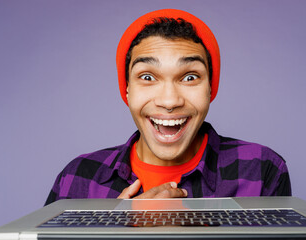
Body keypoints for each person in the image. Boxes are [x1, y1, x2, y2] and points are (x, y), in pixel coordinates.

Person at [45, 9, 291, 205]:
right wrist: (114, 228)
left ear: (210, 89)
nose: (170, 101)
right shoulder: (77, 177)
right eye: (148, 77)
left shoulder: (261, 169)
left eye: (190, 77)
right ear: (127, 90)